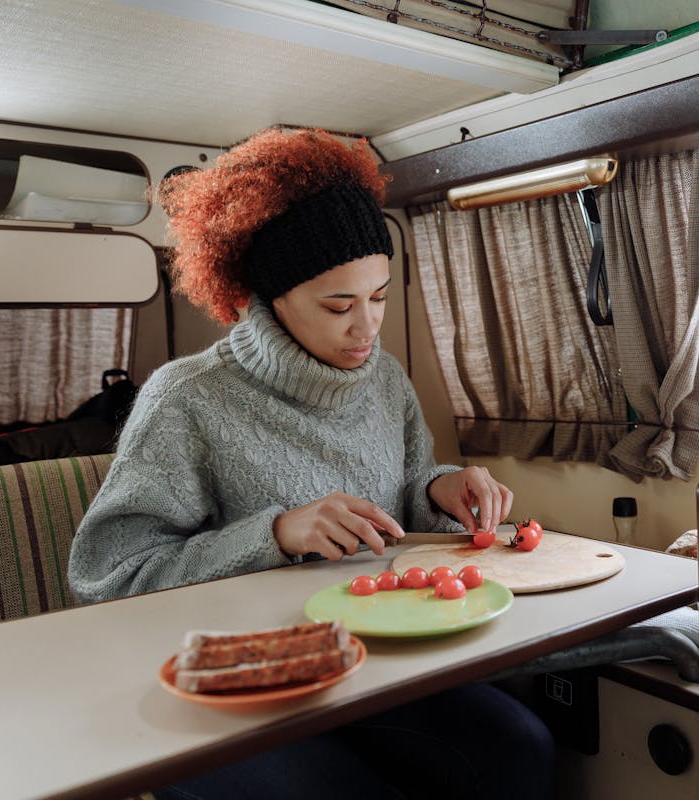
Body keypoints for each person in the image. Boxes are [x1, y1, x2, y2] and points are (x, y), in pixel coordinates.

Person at [67, 127, 554, 800]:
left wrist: (440, 489)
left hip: (366, 663)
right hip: (237, 684)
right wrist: (274, 534)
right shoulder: (187, 399)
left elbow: (402, 496)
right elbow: (108, 576)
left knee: (518, 748)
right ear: (267, 296)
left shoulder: (383, 379)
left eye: (380, 296)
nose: (367, 328)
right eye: (338, 305)